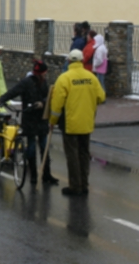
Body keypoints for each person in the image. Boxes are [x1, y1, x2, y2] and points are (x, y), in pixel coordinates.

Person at [50, 49, 105, 196]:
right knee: (84, 154)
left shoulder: (64, 78)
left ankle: (75, 186)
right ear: (81, 61)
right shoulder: (91, 77)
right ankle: (84, 185)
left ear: (69, 61)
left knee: (72, 155)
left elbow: (57, 104)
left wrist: (52, 120)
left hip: (70, 124)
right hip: (86, 123)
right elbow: (101, 97)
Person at [0, 60, 59, 185]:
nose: (45, 75)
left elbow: (49, 96)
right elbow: (13, 92)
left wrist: (42, 102)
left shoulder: (44, 83)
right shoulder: (26, 82)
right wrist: (0, 100)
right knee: (31, 148)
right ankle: (34, 176)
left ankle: (46, 174)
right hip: (30, 119)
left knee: (44, 147)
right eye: (44, 73)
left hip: (42, 119)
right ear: (40, 73)